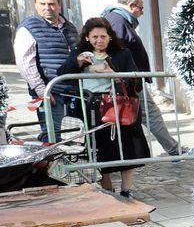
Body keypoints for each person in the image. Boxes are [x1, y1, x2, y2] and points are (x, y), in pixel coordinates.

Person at [58, 18, 146, 197]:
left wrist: (115, 75)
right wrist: (78, 62)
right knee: (101, 151)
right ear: (88, 38)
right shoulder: (80, 52)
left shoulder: (122, 53)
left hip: (118, 106)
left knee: (127, 149)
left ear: (110, 37)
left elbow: (136, 82)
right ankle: (108, 189)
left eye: (103, 36)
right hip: (91, 107)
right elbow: (61, 75)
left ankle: (126, 190)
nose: (99, 40)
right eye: (95, 36)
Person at [103, 0, 191, 156]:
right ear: (131, 6)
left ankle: (172, 148)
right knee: (150, 113)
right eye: (141, 8)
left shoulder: (119, 20)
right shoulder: (117, 20)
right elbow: (117, 52)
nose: (142, 12)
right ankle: (173, 149)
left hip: (130, 79)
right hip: (127, 80)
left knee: (146, 114)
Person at [14, 0, 79, 143]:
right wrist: (42, 91)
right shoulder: (29, 27)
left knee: (75, 136)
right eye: (42, 4)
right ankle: (51, 166)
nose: (47, 8)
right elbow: (25, 62)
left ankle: (69, 166)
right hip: (51, 92)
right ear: (36, 5)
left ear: (59, 5)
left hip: (72, 91)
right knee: (51, 136)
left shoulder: (69, 27)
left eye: (51, 4)